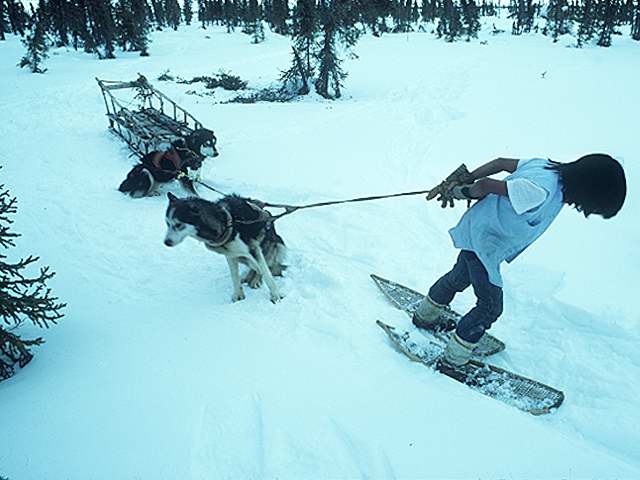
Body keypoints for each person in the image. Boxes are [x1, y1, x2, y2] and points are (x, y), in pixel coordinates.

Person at [417, 154, 627, 367]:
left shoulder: (544, 167)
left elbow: (500, 163)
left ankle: (426, 315)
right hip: (485, 242)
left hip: (479, 232)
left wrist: (467, 177)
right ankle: (454, 360)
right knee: (490, 307)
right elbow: (486, 186)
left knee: (459, 277)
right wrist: (459, 191)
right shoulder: (540, 191)